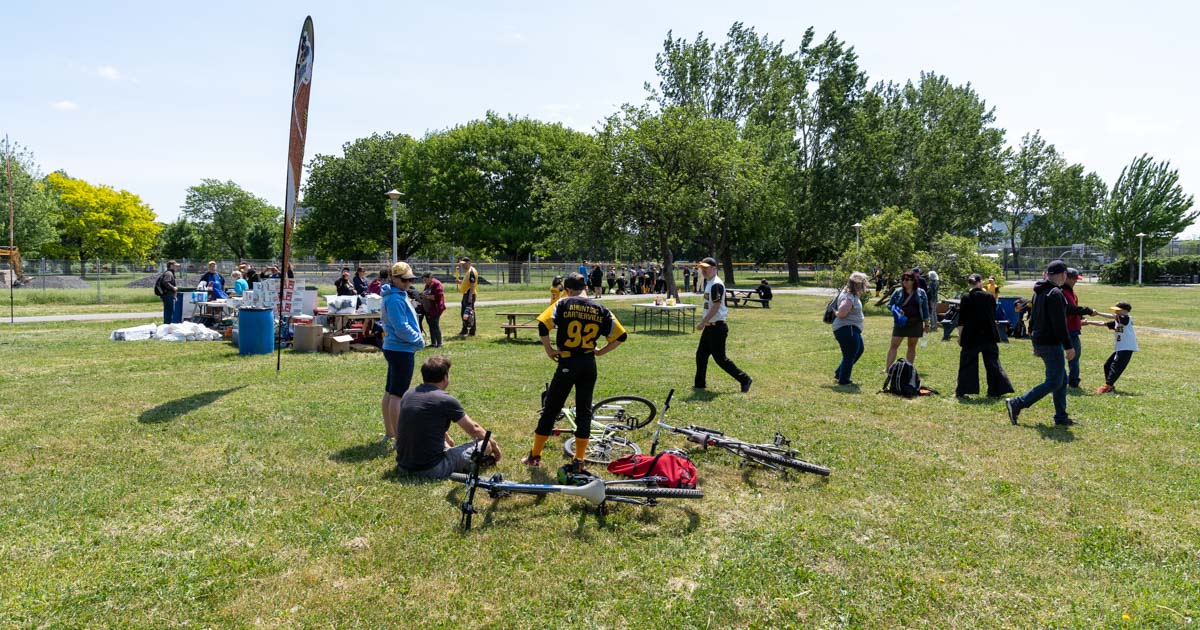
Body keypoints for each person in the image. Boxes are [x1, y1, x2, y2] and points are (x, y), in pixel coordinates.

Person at [522, 273, 627, 470]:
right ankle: (579, 458)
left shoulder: (563, 303)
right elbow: (621, 336)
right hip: (588, 363)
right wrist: (601, 352)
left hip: (568, 362)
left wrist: (549, 350)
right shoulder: (601, 308)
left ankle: (535, 455)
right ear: (585, 287)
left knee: (551, 408)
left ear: (568, 290)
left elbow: (543, 324)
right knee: (584, 412)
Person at [395, 356, 502, 479]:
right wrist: (494, 445)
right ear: (445, 377)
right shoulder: (445, 400)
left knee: (447, 446)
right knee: (485, 444)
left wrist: (446, 438)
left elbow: (422, 422)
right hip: (432, 469)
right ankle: (469, 465)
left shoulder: (408, 394)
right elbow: (474, 429)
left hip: (403, 466)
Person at [1006, 260, 1077, 427]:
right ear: (1063, 275)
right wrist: (1069, 346)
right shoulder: (1055, 293)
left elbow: (1033, 319)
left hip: (1041, 339)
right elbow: (1060, 324)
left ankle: (1061, 417)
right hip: (1050, 342)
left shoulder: (1039, 291)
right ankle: (1018, 403)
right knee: (1054, 381)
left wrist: (1035, 343)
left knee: (1062, 379)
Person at [380, 261, 425, 444]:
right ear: (394, 278)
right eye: (404, 280)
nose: (408, 283)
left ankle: (390, 432)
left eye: (410, 279)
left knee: (390, 391)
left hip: (395, 348)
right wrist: (418, 339)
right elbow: (401, 327)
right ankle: (400, 439)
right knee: (398, 395)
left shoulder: (396, 295)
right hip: (400, 349)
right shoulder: (395, 299)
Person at [694, 257, 753, 393]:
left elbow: (716, 306)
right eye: (702, 268)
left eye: (706, 268)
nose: (703, 271)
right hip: (710, 327)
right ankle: (699, 385)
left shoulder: (716, 284)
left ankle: (745, 379)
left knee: (721, 359)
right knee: (701, 355)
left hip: (717, 328)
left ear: (714, 269)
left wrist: (703, 322)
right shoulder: (709, 283)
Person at [955, 274, 1013, 398]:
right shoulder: (989, 297)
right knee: (992, 363)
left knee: (967, 363)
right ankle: (996, 390)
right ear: (980, 282)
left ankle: (964, 389)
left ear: (970, 284)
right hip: (988, 333)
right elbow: (993, 313)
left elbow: (962, 320)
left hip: (970, 334)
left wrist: (960, 335)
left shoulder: (966, 297)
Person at [1087, 301, 1138, 394]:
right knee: (1107, 365)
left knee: (1116, 366)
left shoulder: (1126, 318)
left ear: (1125, 311)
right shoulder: (1118, 321)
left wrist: (1098, 313)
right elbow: (1102, 323)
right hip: (1120, 348)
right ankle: (1110, 386)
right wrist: (1088, 322)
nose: (1116, 312)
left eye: (1118, 310)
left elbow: (1113, 316)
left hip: (1126, 347)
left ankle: (1107, 387)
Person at [885, 270, 931, 368]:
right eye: (903, 279)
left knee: (912, 346)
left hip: (916, 322)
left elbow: (925, 309)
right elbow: (889, 305)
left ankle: (908, 368)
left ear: (913, 281)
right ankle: (888, 369)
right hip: (901, 322)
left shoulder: (921, 292)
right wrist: (897, 309)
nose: (904, 281)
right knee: (894, 345)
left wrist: (927, 324)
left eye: (907, 279)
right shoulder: (898, 291)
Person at [1062, 268, 1097, 389]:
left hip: (1073, 329)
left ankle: (1073, 381)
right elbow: (1069, 309)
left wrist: (1081, 319)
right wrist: (1088, 310)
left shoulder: (1072, 292)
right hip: (1063, 330)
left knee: (1075, 356)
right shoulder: (1061, 292)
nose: (1076, 281)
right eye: (1074, 279)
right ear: (1066, 278)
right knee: (1060, 357)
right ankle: (1061, 380)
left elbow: (1075, 309)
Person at [832, 272, 868, 386]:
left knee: (859, 350)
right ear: (858, 284)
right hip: (847, 329)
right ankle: (844, 380)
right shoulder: (849, 296)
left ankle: (839, 373)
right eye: (863, 283)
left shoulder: (851, 294)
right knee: (850, 354)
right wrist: (837, 313)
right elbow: (842, 312)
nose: (865, 285)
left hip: (851, 329)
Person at [421, 271, 446, 348]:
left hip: (436, 308)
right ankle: (433, 343)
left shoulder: (437, 284)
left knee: (435, 325)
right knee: (431, 325)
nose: (424, 281)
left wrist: (426, 296)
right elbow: (426, 292)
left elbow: (438, 297)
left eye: (425, 279)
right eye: (423, 280)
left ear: (430, 278)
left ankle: (439, 343)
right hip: (429, 309)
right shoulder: (428, 285)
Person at [456, 257, 478, 336]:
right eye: (462, 264)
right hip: (466, 294)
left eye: (464, 264)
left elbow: (472, 284)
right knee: (465, 313)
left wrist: (470, 296)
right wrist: (460, 282)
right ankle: (465, 330)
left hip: (469, 294)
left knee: (468, 313)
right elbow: (467, 282)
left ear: (469, 263)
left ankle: (471, 331)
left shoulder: (471, 271)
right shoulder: (468, 271)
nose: (463, 266)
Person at [157, 260, 179, 324]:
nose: (177, 267)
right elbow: (165, 282)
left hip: (169, 295)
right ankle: (167, 326)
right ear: (171, 266)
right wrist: (173, 288)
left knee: (169, 312)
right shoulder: (169, 273)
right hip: (168, 295)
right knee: (169, 312)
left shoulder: (169, 273)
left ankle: (167, 325)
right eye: (175, 266)